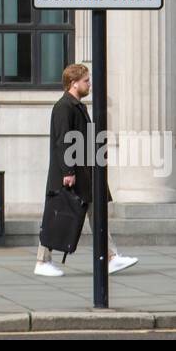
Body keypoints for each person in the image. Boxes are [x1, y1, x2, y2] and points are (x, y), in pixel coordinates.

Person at [34, 63, 138, 278]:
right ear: (73, 83)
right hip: (72, 174)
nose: (90, 84)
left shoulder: (76, 106)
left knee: (94, 213)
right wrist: (68, 172)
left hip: (83, 172)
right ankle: (42, 261)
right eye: (86, 81)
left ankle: (110, 257)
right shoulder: (64, 107)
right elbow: (63, 141)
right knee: (58, 216)